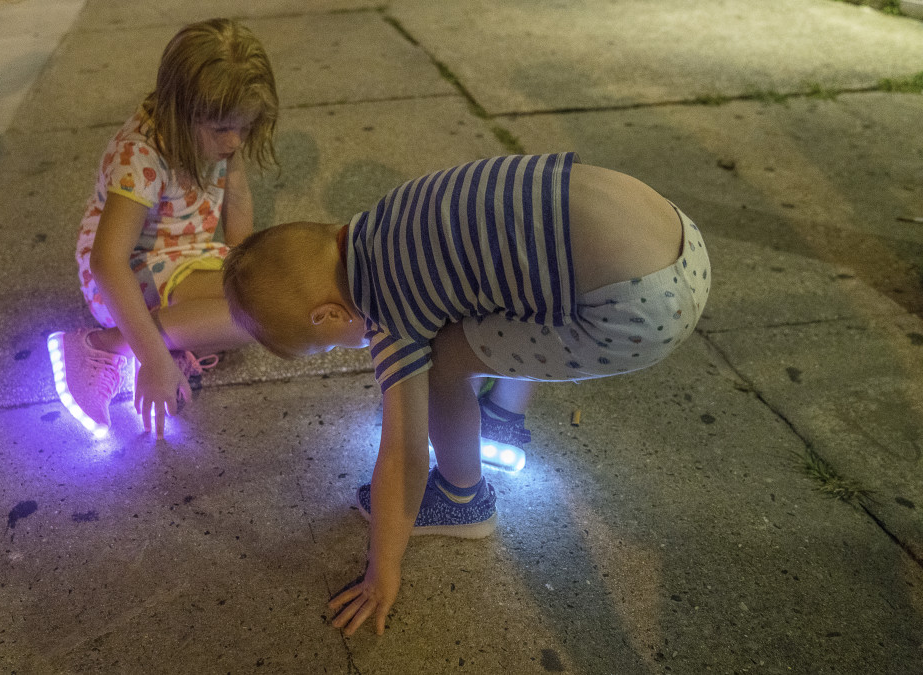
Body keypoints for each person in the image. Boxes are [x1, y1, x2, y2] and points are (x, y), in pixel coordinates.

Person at [222, 153, 710, 635]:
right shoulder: (391, 216)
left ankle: (461, 498)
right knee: (510, 285)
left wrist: (381, 571)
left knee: (440, 364)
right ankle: (500, 417)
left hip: (637, 313)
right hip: (678, 238)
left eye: (330, 343)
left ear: (328, 316)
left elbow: (403, 455)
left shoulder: (388, 307)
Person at [47, 18, 278, 439]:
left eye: (244, 127)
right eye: (224, 129)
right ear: (180, 111)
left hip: (188, 256)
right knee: (253, 317)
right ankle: (103, 345)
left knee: (265, 300)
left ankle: (165, 339)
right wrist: (154, 361)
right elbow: (107, 261)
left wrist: (246, 266)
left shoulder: (216, 131)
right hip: (130, 271)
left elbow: (237, 194)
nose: (235, 142)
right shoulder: (141, 157)